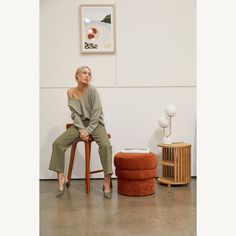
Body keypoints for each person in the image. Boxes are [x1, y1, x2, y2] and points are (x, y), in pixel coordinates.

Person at [49, 66, 113, 198]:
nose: (87, 75)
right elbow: (74, 114)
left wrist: (88, 130)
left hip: (96, 124)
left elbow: (96, 113)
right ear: (77, 76)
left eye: (89, 74)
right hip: (80, 125)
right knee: (57, 144)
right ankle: (61, 176)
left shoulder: (93, 90)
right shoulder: (70, 92)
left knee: (106, 146)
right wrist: (81, 129)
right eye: (84, 73)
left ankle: (107, 180)